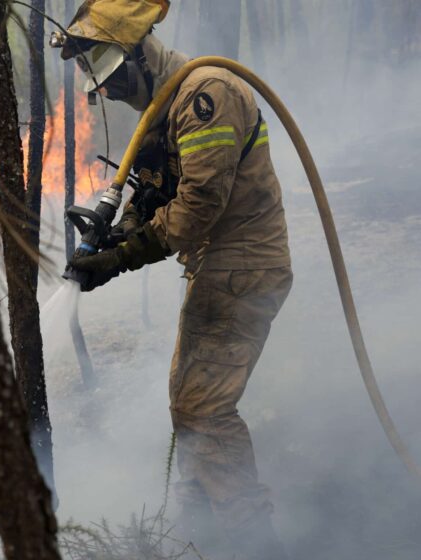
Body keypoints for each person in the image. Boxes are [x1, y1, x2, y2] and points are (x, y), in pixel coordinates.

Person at [59, 1, 293, 559]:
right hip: (220, 268)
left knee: (203, 410)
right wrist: (116, 235)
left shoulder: (207, 95)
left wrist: (122, 258)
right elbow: (154, 192)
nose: (112, 93)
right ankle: (196, 536)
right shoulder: (162, 112)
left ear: (142, 56)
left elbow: (199, 206)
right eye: (104, 87)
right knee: (189, 405)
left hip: (244, 267)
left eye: (116, 79)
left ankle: (255, 545)